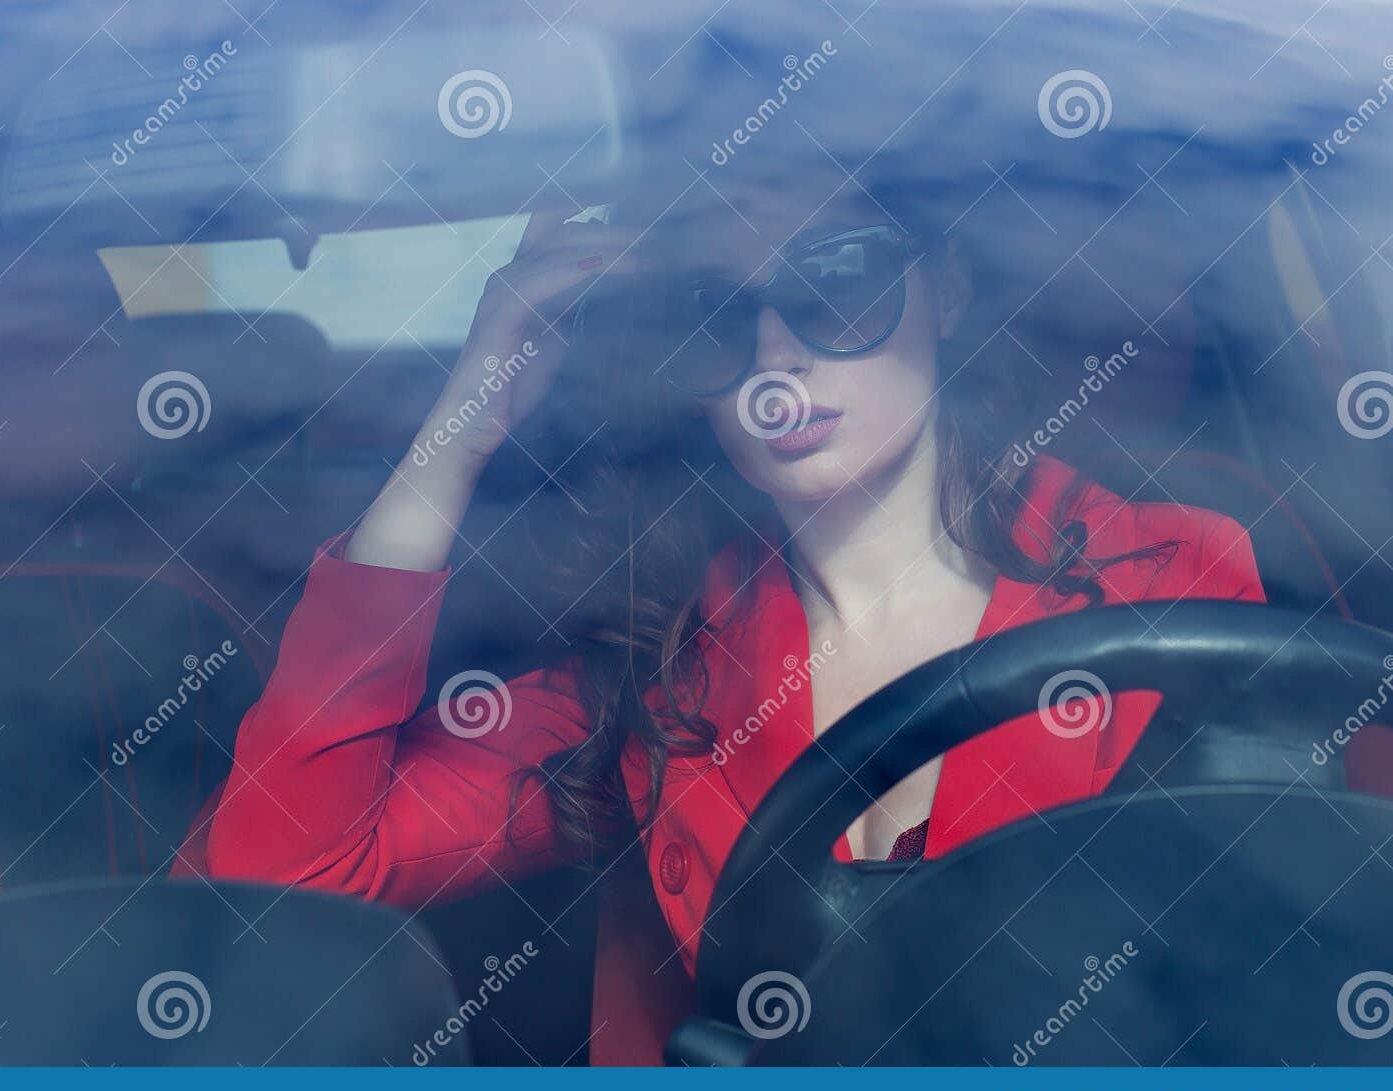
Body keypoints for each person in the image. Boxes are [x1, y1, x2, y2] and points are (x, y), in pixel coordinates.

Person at [188, 182, 1262, 1037]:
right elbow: (290, 868)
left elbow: (1281, 962)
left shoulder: (1171, 578)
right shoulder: (656, 675)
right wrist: (462, 430)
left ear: (944, 290)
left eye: (834, 283)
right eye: (710, 318)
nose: (775, 354)